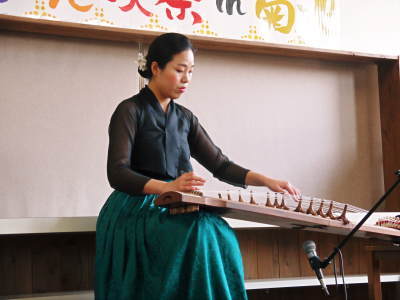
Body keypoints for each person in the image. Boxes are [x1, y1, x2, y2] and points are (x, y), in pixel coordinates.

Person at [95, 32, 300, 300]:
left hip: (175, 203)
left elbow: (220, 164)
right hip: (136, 206)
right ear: (155, 68)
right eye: (179, 70)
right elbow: (117, 172)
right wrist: (166, 186)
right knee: (196, 231)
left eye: (191, 72)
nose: (186, 79)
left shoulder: (185, 118)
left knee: (220, 234)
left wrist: (267, 181)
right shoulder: (130, 110)